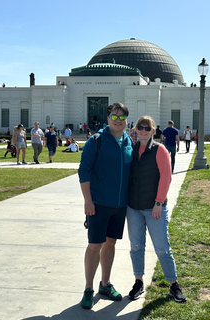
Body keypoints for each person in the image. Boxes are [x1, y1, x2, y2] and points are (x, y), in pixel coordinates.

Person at [77, 102, 133, 309]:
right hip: (98, 204)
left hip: (120, 205)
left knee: (111, 244)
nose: (118, 120)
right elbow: (84, 171)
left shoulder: (128, 141)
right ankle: (88, 289)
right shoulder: (97, 141)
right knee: (94, 246)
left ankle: (105, 284)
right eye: (114, 116)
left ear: (127, 120)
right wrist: (88, 200)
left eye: (122, 117)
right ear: (107, 118)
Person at [126, 115, 187, 303]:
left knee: (162, 248)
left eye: (147, 128)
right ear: (135, 129)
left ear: (153, 131)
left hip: (154, 208)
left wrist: (159, 202)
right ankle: (138, 282)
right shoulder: (131, 149)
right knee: (136, 247)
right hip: (133, 208)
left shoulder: (160, 150)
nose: (143, 131)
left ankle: (173, 285)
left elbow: (166, 178)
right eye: (140, 127)